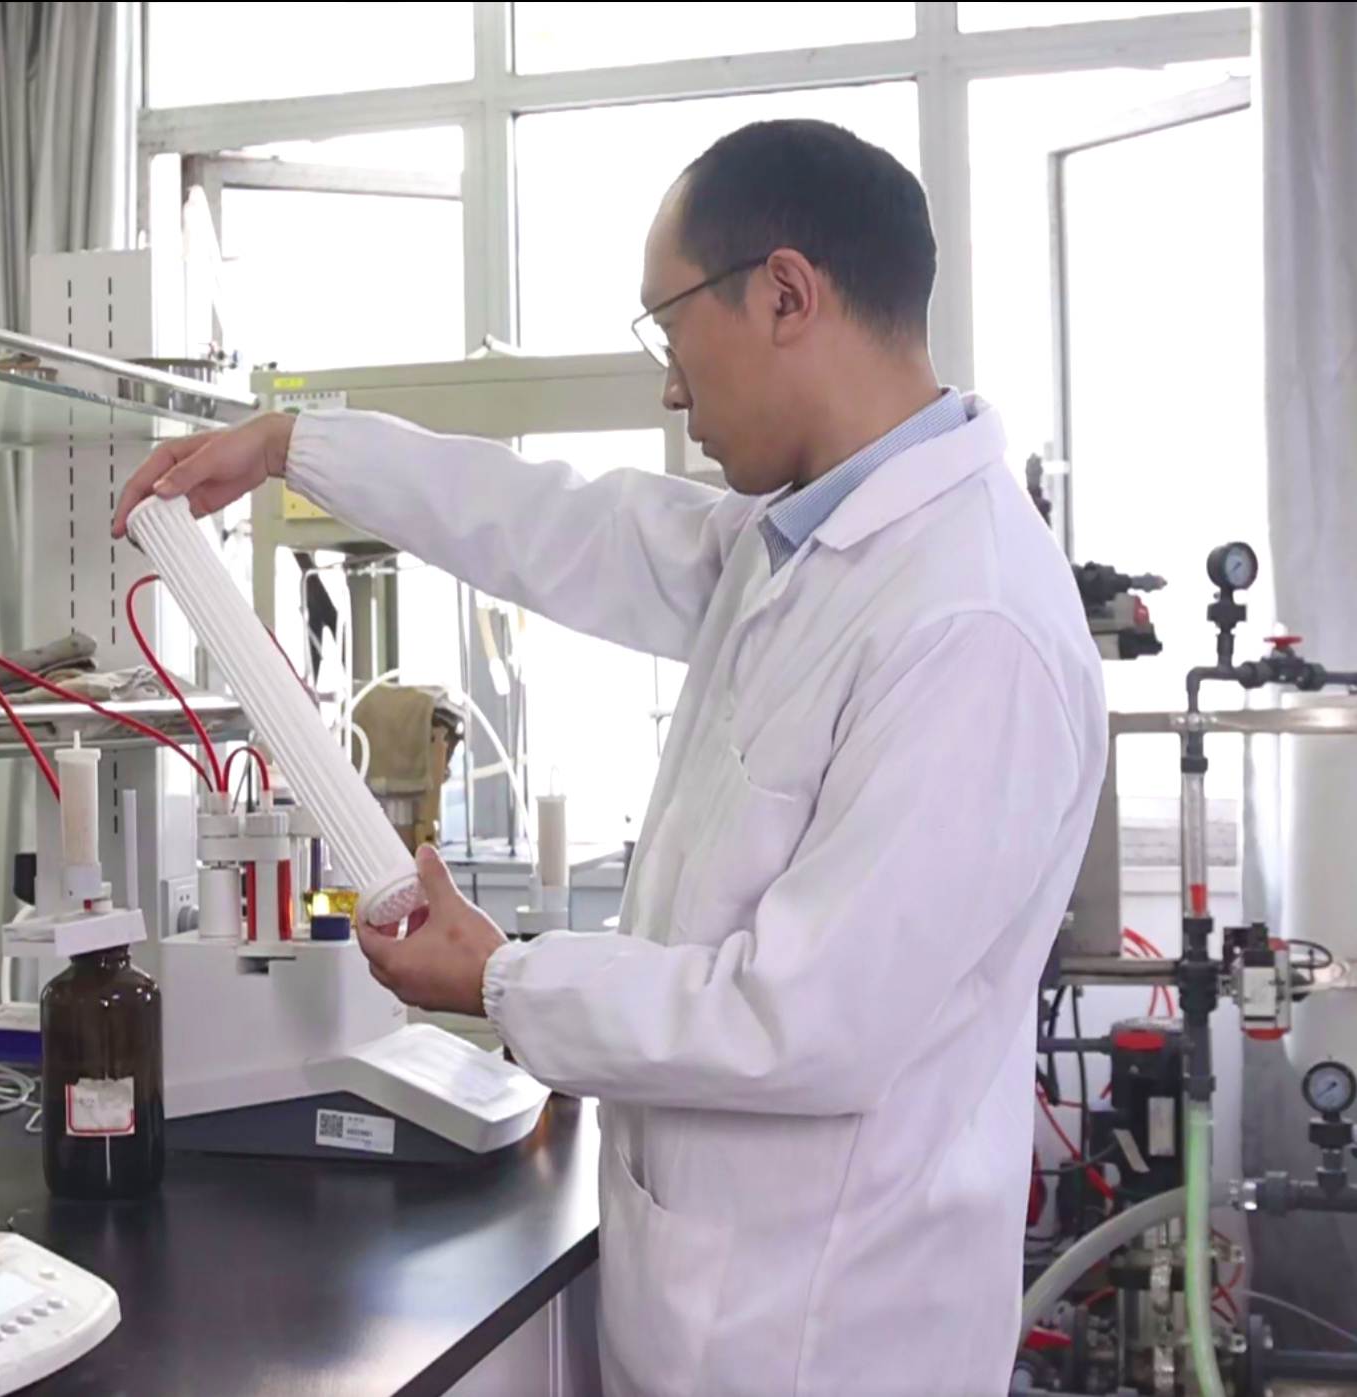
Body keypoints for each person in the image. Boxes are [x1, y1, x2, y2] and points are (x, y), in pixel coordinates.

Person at [115, 119, 1105, 1397]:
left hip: (823, 1341)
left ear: (785, 294)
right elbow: (569, 525)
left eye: (671, 326)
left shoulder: (970, 622)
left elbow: (804, 1020)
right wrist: (295, 446)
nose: (670, 388)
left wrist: (504, 980)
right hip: (708, 1312)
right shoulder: (801, 548)